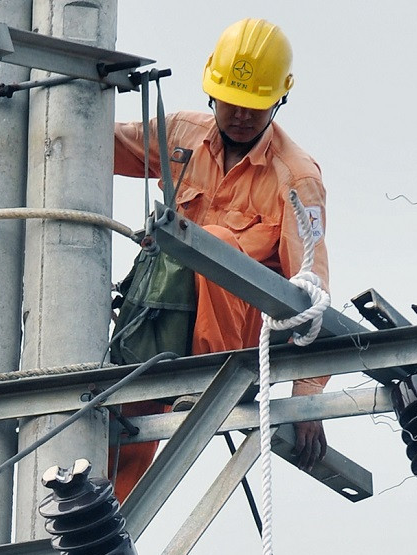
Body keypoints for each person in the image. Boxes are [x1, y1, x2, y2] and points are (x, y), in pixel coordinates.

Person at [110, 17, 330, 500]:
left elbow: (312, 296)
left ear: (279, 100)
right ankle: (93, 534)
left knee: (212, 241)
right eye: (232, 102)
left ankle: (207, 377)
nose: (243, 116)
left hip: (236, 337)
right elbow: (96, 145)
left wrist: (307, 399)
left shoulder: (296, 178)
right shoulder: (183, 135)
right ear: (212, 92)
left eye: (256, 106)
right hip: (165, 315)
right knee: (117, 435)